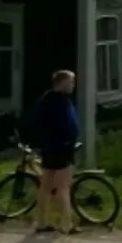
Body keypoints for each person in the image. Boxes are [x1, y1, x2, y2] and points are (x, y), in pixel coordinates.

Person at [30, 69, 80, 234]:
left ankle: (41, 223)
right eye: (71, 82)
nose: (73, 85)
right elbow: (68, 125)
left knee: (45, 186)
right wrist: (70, 141)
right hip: (62, 148)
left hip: (48, 147)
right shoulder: (62, 102)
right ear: (63, 83)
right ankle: (66, 224)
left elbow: (37, 122)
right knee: (63, 187)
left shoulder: (45, 100)